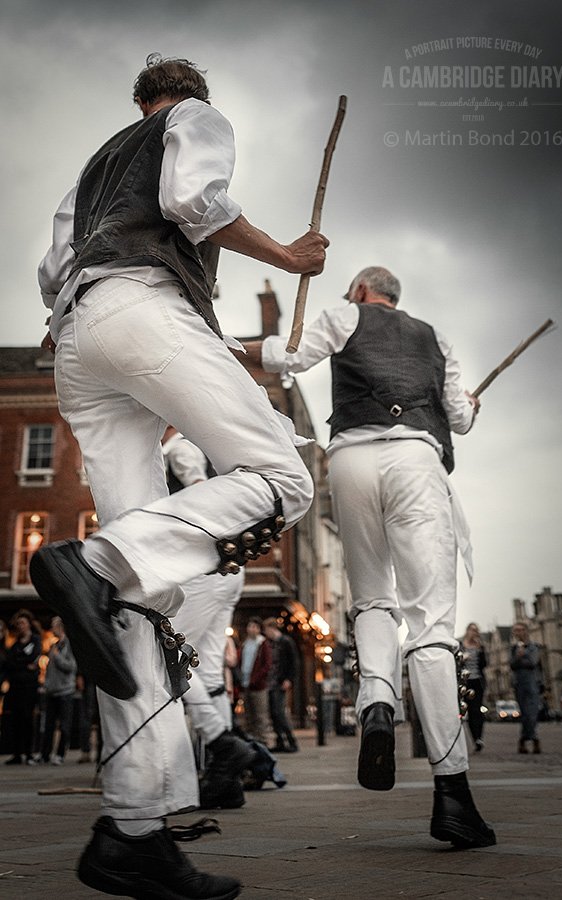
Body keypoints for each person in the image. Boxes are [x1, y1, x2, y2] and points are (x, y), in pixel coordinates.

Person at [31, 55, 327, 900]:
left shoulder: (94, 167)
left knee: (141, 601)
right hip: (141, 308)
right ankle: (94, 560)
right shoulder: (192, 118)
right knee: (282, 475)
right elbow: (195, 201)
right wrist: (286, 255)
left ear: (137, 98)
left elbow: (52, 273)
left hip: (78, 339)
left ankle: (134, 829)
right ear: (188, 94)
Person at [245, 265, 495, 849]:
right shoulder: (435, 337)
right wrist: (471, 406)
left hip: (351, 459)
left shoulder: (344, 316)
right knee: (430, 624)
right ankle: (452, 794)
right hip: (416, 461)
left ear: (360, 291)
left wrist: (223, 342)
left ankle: (377, 700)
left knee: (373, 601)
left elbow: (287, 356)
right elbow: (459, 418)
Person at [164, 426, 254, 810]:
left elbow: (202, 492)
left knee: (171, 654)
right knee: (211, 673)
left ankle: (221, 742)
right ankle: (226, 782)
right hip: (229, 567)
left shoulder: (180, 449)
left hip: (202, 567)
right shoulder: (207, 446)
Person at [3, 610, 42, 765]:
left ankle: (29, 752)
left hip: (29, 687)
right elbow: (10, 663)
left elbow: (33, 658)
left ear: (29, 624)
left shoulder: (36, 641)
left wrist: (21, 663)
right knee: (16, 719)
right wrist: (25, 665)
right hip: (16, 687)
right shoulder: (15, 644)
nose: (21, 626)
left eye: (23, 623)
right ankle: (17, 753)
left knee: (28, 719)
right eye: (18, 623)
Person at [40, 616, 77, 765]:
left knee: (64, 725)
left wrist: (57, 656)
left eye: (53, 626)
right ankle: (44, 755)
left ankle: (60, 754)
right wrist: (46, 685)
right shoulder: (53, 645)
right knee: (48, 725)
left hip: (65, 691)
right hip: (51, 691)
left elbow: (71, 666)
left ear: (60, 627)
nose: (51, 629)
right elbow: (49, 669)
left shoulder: (69, 645)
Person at [263, 617, 299, 753]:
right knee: (273, 713)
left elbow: (294, 662)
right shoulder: (269, 643)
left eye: (267, 630)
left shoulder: (286, 642)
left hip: (280, 681)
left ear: (272, 629)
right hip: (270, 682)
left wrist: (289, 679)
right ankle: (280, 741)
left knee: (279, 712)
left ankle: (291, 741)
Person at [239, 618, 272, 746]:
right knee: (248, 715)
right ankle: (251, 741)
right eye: (250, 626)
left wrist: (256, 678)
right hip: (245, 683)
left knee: (260, 715)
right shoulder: (244, 644)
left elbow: (267, 664)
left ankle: (263, 741)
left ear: (259, 629)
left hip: (258, 686)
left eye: (254, 627)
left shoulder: (262, 644)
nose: (251, 629)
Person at [510, 622, 541, 754]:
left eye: (521, 630)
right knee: (524, 713)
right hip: (519, 683)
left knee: (532, 712)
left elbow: (533, 662)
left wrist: (523, 656)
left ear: (526, 631)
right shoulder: (513, 649)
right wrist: (518, 658)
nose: (519, 633)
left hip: (532, 682)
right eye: (516, 630)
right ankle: (531, 739)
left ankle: (527, 739)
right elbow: (512, 665)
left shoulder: (533, 647)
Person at [460, 623, 488, 752]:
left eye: (476, 630)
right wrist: (463, 659)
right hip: (465, 681)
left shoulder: (480, 646)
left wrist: (481, 650)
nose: (474, 632)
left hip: (477, 681)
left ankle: (478, 738)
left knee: (477, 710)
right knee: (466, 709)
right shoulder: (461, 645)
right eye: (472, 630)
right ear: (467, 631)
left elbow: (484, 664)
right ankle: (472, 737)